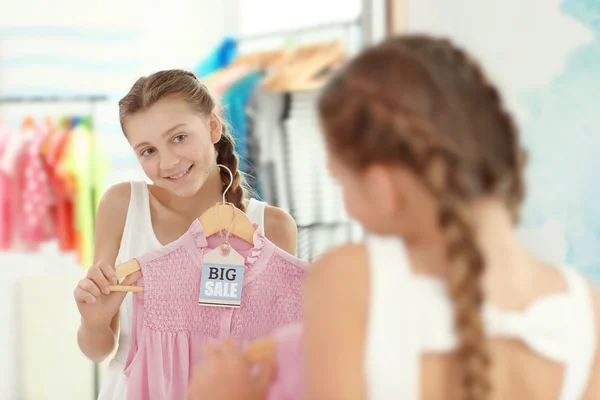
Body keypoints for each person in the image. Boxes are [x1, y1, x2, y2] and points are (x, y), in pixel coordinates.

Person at [186, 35, 600, 399]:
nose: (346, 205)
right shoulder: (585, 309)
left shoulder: (351, 281)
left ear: (383, 187)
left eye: (342, 183)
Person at [72, 69, 298, 399]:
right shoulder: (122, 205)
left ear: (212, 127)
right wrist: (94, 321)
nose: (169, 162)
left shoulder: (271, 227)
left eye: (179, 137)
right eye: (148, 151)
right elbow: (97, 351)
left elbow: (277, 356)